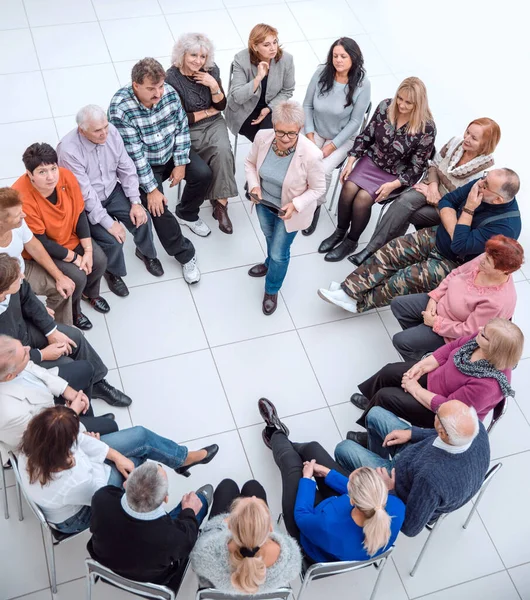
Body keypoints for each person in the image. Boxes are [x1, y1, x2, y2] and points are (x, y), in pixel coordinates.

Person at [318, 169, 522, 313]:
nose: (480, 184)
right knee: (393, 250)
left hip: (454, 263)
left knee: (406, 277)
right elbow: (447, 201)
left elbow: (460, 247)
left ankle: (360, 304)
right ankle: (350, 290)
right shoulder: (481, 186)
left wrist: (468, 208)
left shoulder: (506, 227)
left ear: (498, 200)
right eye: (484, 178)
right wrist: (457, 229)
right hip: (439, 235)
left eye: (486, 185)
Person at [17, 405, 219, 533]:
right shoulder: (74, 480)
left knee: (140, 436)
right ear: (63, 449)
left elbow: (80, 440)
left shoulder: (37, 440)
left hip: (85, 473)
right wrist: (122, 461)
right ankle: (158, 513)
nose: (79, 434)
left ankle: (183, 459)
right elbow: (101, 494)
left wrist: (116, 456)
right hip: (80, 510)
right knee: (141, 468)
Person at [258, 398, 405, 562]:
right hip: (333, 517)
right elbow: (363, 496)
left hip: (311, 536)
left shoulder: (328, 525)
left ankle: (276, 432)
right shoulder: (396, 507)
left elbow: (301, 517)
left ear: (351, 499)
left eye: (350, 481)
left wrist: (307, 479)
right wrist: (329, 474)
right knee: (313, 448)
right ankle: (286, 442)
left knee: (292, 464)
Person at [108, 58, 209, 284]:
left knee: (203, 174)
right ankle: (185, 254)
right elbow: (134, 155)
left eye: (161, 86)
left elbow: (182, 128)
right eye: (151, 89)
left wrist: (181, 162)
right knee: (158, 209)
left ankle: (187, 212)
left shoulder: (169, 93)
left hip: (171, 152)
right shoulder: (120, 108)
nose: (159, 93)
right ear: (136, 85)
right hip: (145, 165)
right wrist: (152, 189)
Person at [350, 118, 501, 265]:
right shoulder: (455, 142)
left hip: (447, 208)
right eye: (467, 132)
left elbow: (462, 205)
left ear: (485, 144)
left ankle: (380, 255)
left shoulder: (483, 173)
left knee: (409, 214)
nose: (466, 138)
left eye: (473, 138)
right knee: (403, 201)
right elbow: (434, 165)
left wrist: (438, 198)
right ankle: (374, 251)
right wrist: (433, 187)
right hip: (430, 187)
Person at [319, 77, 436, 261]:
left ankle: (351, 241)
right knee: (349, 187)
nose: (402, 105)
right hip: (372, 159)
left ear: (418, 104)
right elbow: (366, 136)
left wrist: (393, 185)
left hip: (396, 173)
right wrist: (350, 161)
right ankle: (340, 231)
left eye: (408, 103)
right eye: (400, 99)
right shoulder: (385, 107)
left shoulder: (426, 128)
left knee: (363, 199)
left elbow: (417, 167)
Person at [335, 401, 490, 536]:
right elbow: (441, 436)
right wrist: (412, 433)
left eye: (438, 412)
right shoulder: (474, 427)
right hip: (413, 458)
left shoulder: (431, 479)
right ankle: (375, 455)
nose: (437, 408)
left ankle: (356, 496)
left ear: (442, 431)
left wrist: (389, 489)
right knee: (374, 414)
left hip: (399, 485)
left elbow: (410, 527)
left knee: (343, 449)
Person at [57, 105, 163, 298]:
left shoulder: (111, 132)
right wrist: (109, 224)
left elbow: (126, 167)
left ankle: (146, 252)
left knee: (142, 218)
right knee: (112, 241)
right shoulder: (68, 151)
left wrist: (135, 202)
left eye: (105, 126)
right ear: (82, 130)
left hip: (113, 190)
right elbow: (85, 193)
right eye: (97, 130)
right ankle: (113, 272)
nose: (104, 133)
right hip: (86, 204)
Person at [0, 253, 131, 407]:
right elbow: (5, 367)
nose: (22, 276)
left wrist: (51, 331)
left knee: (74, 336)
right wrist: (42, 355)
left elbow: (28, 299)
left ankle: (97, 382)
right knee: (67, 363)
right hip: (17, 363)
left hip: (23, 330)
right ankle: (76, 405)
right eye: (17, 278)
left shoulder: (15, 284)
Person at [348, 318, 522, 431]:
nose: (480, 328)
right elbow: (451, 348)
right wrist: (422, 366)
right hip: (437, 379)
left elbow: (448, 407)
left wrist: (415, 389)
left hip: (444, 415)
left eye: (484, 333)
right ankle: (371, 404)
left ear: (494, 349)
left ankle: (372, 431)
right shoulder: (480, 339)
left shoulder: (488, 386)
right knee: (389, 371)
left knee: (386, 396)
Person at [13, 143, 109, 331]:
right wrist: (75, 258)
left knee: (100, 261)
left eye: (53, 168)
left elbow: (80, 212)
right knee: (77, 278)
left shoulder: (66, 176)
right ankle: (74, 311)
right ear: (29, 174)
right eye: (42, 172)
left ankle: (90, 294)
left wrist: (88, 250)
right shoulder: (22, 196)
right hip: (47, 248)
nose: (51, 176)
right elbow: (40, 241)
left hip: (70, 235)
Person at [245, 100, 325, 315]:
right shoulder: (263, 138)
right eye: (280, 132)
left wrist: (296, 204)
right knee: (269, 237)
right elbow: (250, 164)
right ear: (273, 125)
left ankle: (272, 288)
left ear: (299, 129)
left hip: (289, 211)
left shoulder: (311, 154)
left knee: (280, 252)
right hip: (264, 202)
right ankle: (269, 263)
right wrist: (254, 186)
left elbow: (318, 189)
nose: (285, 139)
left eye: (292, 134)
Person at [391, 235, 523, 361]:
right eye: (486, 254)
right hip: (442, 303)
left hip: (451, 334)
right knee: (398, 305)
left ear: (503, 271)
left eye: (488, 260)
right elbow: (456, 272)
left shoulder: (497, 301)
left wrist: (435, 323)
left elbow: (469, 331)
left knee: (400, 341)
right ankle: (424, 345)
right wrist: (434, 298)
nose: (482, 259)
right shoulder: (486, 259)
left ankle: (424, 366)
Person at [88, 462, 213, 591]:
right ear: (165, 498)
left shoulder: (102, 498)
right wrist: (189, 511)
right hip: (152, 579)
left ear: (126, 484)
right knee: (197, 506)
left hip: (104, 563)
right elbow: (187, 540)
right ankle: (198, 502)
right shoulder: (175, 537)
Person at [0, 335, 117, 460]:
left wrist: (66, 389)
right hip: (49, 434)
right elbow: (45, 437)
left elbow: (31, 367)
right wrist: (72, 413)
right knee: (111, 426)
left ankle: (86, 417)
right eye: (24, 354)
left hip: (45, 397)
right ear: (9, 376)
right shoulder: (9, 413)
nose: (28, 348)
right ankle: (87, 435)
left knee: (86, 369)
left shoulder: (9, 364)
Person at [166, 34, 238, 235]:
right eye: (193, 55)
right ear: (182, 54)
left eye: (203, 56)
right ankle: (217, 201)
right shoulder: (171, 78)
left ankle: (221, 206)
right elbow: (180, 119)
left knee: (223, 150)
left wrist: (213, 85)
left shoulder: (212, 70)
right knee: (210, 158)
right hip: (187, 129)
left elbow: (221, 106)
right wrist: (206, 111)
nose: (199, 61)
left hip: (214, 123)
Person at [303, 37, 371, 235]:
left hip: (342, 137)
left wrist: (331, 146)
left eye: (343, 56)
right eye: (335, 56)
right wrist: (309, 135)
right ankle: (299, 195)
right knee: (303, 159)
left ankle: (315, 205)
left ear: (354, 58)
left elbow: (355, 123)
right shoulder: (320, 73)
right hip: (314, 128)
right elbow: (307, 105)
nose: (338, 60)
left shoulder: (362, 84)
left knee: (323, 170)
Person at [190, 477, 301, 595]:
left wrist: (220, 524)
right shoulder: (290, 558)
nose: (253, 497)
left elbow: (199, 554)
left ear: (229, 526)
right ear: (270, 527)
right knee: (253, 486)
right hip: (265, 589)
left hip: (220, 587)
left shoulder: (205, 553)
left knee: (227, 485)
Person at [0, 187, 75, 325]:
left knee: (61, 290)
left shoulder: (19, 224)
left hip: (23, 271)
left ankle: (62, 328)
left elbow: (34, 246)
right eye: (17, 214)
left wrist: (59, 277)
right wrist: (35, 309)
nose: (24, 215)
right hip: (5, 287)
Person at [226, 23, 295, 143]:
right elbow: (237, 97)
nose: (273, 48)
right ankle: (261, 159)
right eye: (266, 45)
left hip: (271, 107)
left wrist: (269, 108)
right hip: (244, 111)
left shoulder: (286, 60)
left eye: (275, 42)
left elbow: (287, 90)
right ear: (255, 46)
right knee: (266, 142)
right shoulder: (241, 60)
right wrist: (257, 79)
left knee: (281, 138)